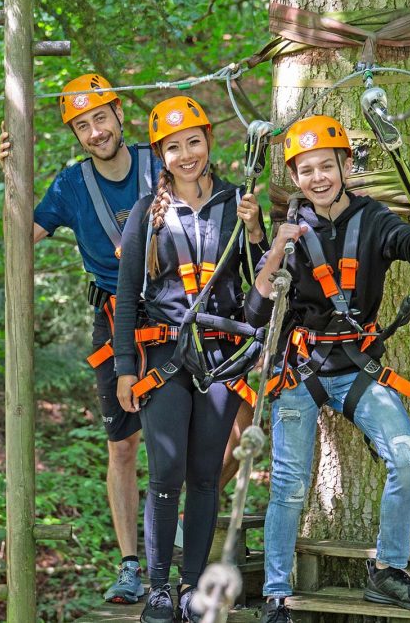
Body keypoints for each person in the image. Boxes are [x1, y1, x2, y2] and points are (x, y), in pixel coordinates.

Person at [246, 115, 410, 622]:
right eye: (306, 169)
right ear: (295, 177)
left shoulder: (373, 217)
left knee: (408, 458)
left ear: (346, 166)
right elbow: (255, 312)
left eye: (327, 166)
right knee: (290, 483)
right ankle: (275, 594)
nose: (318, 177)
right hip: (302, 371)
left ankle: (388, 572)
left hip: (356, 369)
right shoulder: (289, 232)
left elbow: (402, 240)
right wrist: (273, 251)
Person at [0, 72, 160, 603]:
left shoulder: (161, 161)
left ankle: (177, 525)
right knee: (124, 445)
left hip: (176, 310)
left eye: (101, 118)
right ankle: (131, 564)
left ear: (119, 115)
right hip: (116, 319)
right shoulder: (70, 186)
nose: (96, 132)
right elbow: (20, 239)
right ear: (76, 135)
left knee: (215, 431)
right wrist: (11, 179)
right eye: (83, 126)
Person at [113, 95, 267, 623]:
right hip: (165, 356)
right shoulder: (147, 214)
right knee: (167, 472)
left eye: (193, 142)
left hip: (221, 358)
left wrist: (255, 233)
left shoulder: (237, 203)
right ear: (160, 154)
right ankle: (158, 587)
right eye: (173, 147)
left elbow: (256, 288)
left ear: (208, 142)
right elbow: (127, 293)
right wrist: (125, 370)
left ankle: (189, 586)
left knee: (205, 475)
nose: (186, 155)